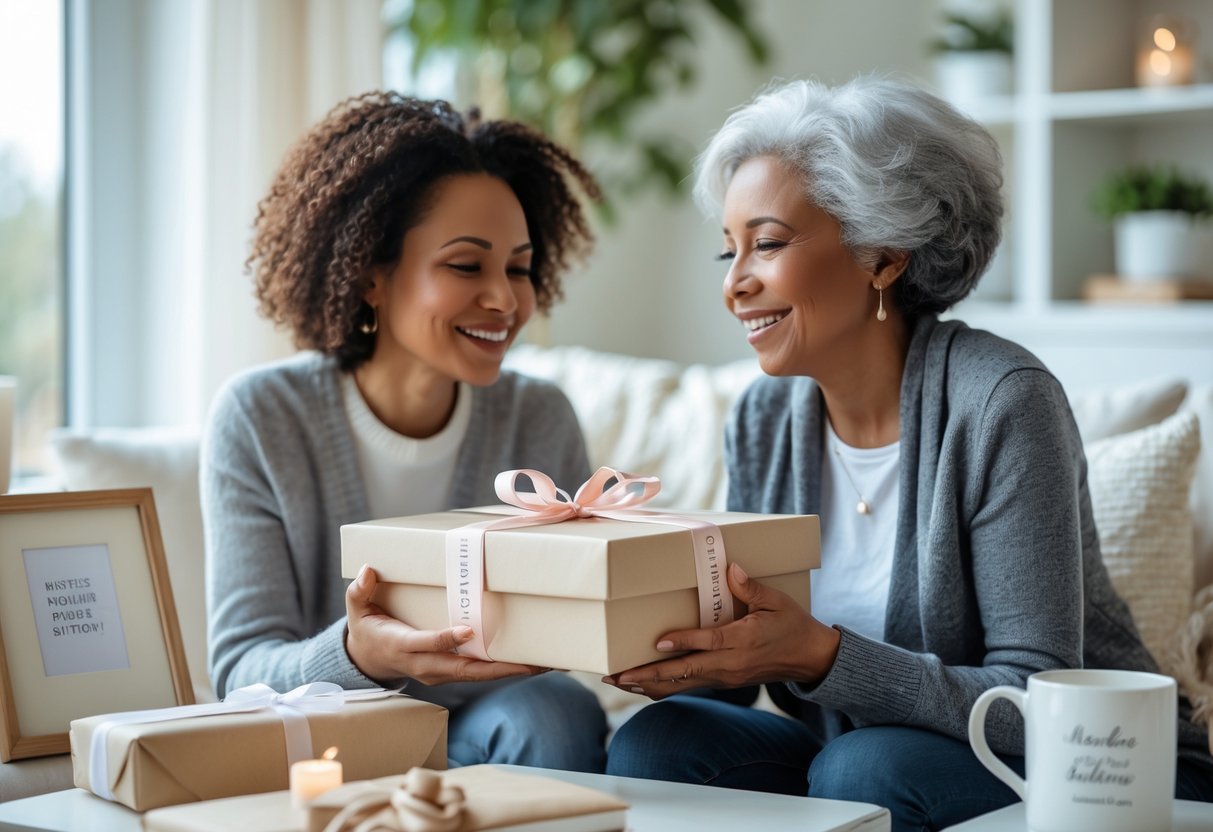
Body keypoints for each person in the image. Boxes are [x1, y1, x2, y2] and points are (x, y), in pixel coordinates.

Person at [602, 77, 1213, 828]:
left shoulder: (1002, 401)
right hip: (856, 756)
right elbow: (740, 674)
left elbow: (1033, 697)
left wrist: (824, 657)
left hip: (1093, 770)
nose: (735, 285)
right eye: (727, 252)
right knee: (658, 745)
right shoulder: (764, 416)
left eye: (765, 244)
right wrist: (637, 632)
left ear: (882, 256)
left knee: (864, 766)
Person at [202, 92, 608, 771]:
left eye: (518, 267)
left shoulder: (539, 417)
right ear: (370, 275)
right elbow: (241, 672)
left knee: (556, 709)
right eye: (465, 265)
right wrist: (359, 655)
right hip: (330, 742)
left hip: (500, 730)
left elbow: (563, 633)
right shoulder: (261, 417)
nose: (505, 300)